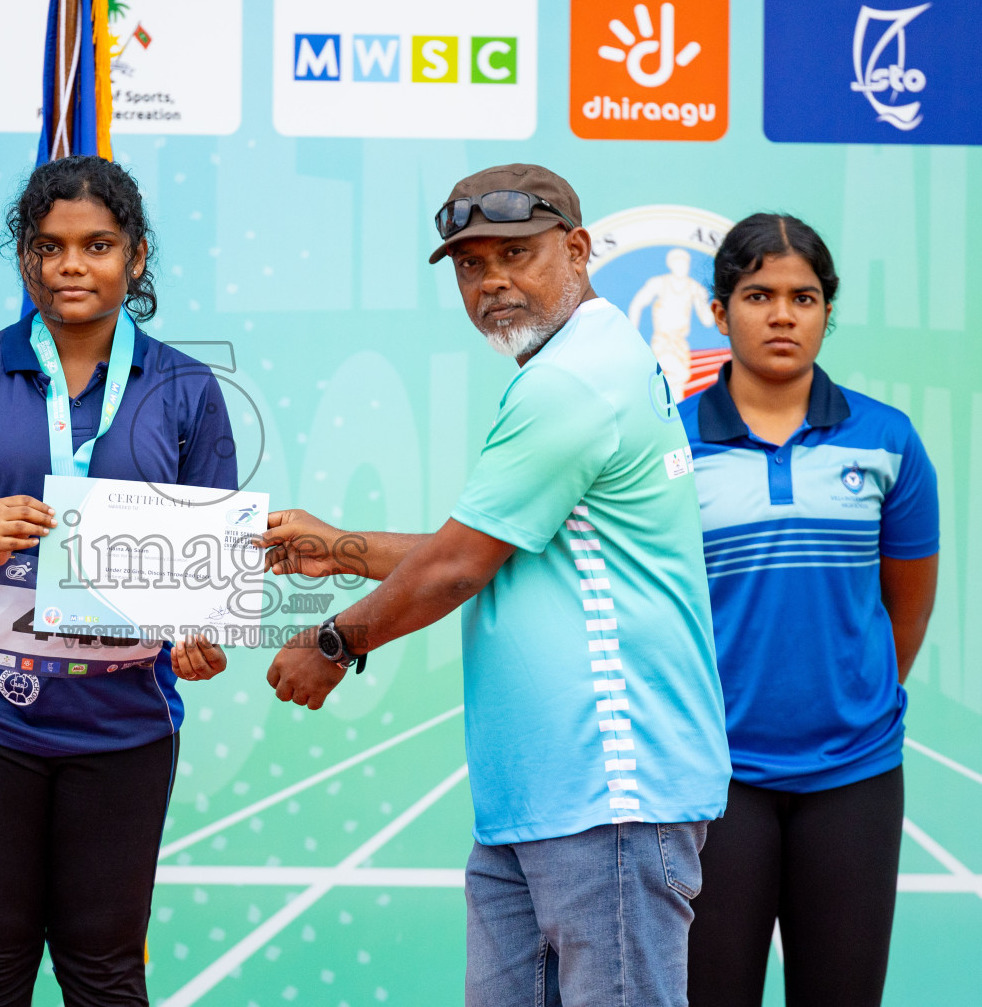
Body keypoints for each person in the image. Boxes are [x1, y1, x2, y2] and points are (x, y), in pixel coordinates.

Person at [257, 164, 731, 1007]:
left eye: (517, 253)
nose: (493, 282)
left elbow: (457, 566)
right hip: (540, 798)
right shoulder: (593, 356)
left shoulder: (570, 382)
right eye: (472, 266)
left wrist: (333, 642)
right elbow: (501, 547)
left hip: (608, 796)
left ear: (578, 250)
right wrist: (341, 547)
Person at [0, 155, 236, 1006]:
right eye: (50, 246)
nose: (72, 265)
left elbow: (207, 582)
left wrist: (200, 638)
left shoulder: (186, 388)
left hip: (127, 725)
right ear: (25, 257)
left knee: (106, 969)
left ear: (135, 257)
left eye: (98, 245)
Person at [680, 214, 939, 1007]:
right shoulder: (667, 443)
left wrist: (848, 700)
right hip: (713, 777)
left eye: (805, 296)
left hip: (855, 775)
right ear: (719, 312)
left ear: (828, 310)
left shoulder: (888, 440)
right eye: (758, 295)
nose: (783, 314)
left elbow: (908, 608)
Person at [628, 247, 713, 401]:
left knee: (678, 382)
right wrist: (632, 332)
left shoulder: (694, 288)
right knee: (674, 375)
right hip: (662, 341)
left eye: (684, 264)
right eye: (678, 263)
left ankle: (675, 417)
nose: (682, 267)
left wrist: (703, 300)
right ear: (671, 265)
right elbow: (637, 304)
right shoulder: (659, 283)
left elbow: (708, 322)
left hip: (680, 344)